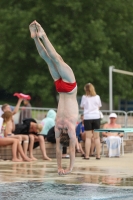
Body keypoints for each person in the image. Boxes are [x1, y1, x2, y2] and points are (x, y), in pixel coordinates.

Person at [29, 20, 79, 175]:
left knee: (48, 59)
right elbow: (71, 148)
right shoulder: (69, 127)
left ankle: (36, 38)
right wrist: (69, 168)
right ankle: (41, 35)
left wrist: (59, 167)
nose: (60, 137)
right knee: (56, 58)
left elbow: (59, 148)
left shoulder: (59, 127)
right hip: (69, 87)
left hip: (61, 89)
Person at [80, 83, 102, 160]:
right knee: (97, 137)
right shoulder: (97, 97)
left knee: (88, 138)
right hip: (96, 117)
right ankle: (98, 155)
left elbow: (82, 107)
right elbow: (99, 107)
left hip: (88, 117)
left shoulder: (84, 97)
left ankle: (87, 155)